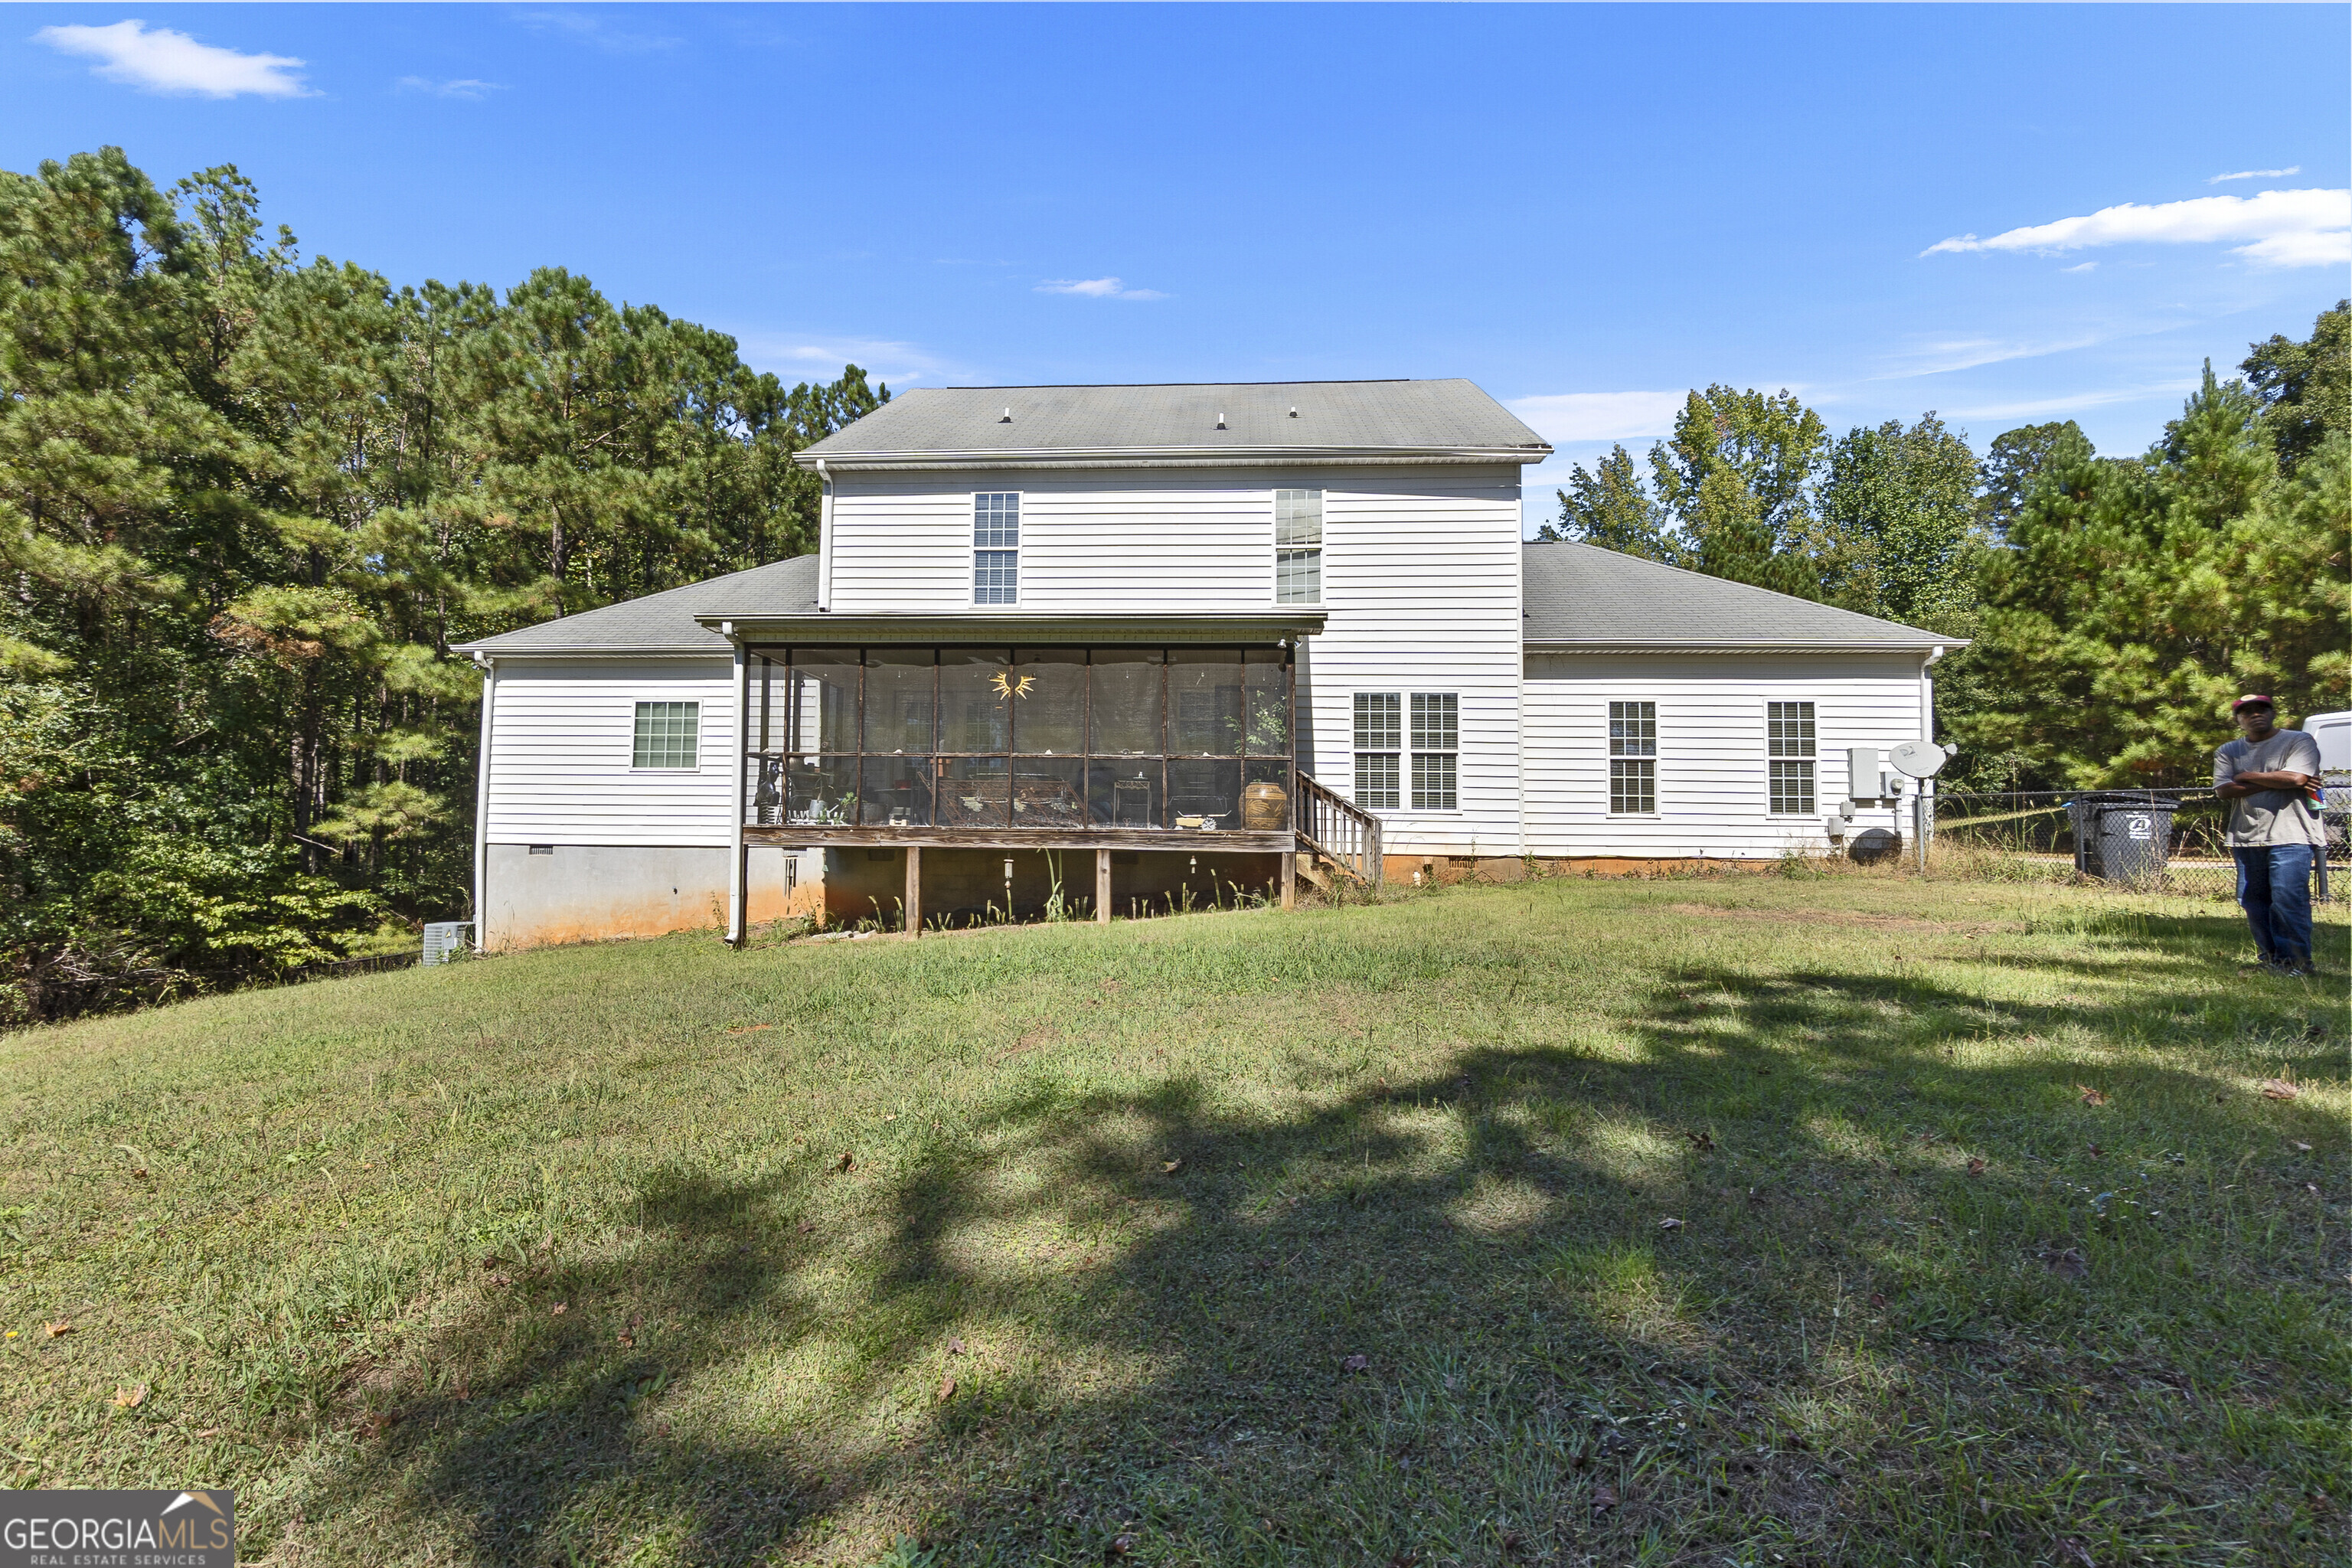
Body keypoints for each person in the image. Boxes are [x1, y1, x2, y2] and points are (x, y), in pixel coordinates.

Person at [2213, 695, 2325, 975]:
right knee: (2252, 901)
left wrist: (2245, 775)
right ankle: (2273, 959)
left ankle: (2297, 963)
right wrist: (2278, 779)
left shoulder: (2299, 741)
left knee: (2288, 899)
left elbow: (2297, 779)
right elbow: (2223, 790)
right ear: (2238, 719)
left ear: (2273, 713)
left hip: (2293, 834)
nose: (2255, 715)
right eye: (2246, 712)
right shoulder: (2228, 750)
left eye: (2261, 709)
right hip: (2247, 835)